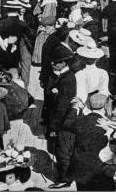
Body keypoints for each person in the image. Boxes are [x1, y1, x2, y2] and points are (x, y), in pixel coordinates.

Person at [64, 93, 110, 190]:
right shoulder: (107, 125)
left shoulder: (81, 121)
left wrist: (75, 107)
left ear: (89, 105)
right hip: (99, 170)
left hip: (80, 169)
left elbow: (68, 123)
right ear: (105, 106)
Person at [45, 45, 77, 189]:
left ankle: (64, 179)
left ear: (64, 63)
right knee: (59, 149)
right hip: (59, 119)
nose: (53, 63)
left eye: (57, 62)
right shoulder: (59, 75)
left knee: (62, 150)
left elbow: (61, 107)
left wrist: (53, 127)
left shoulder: (67, 79)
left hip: (63, 122)